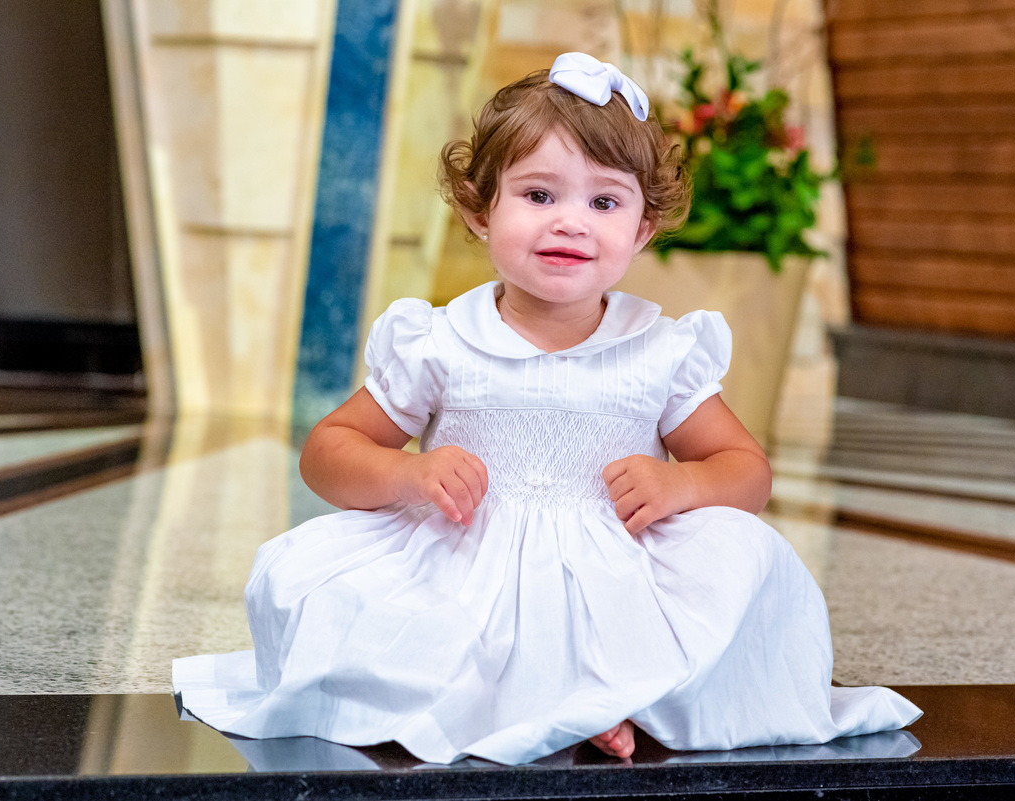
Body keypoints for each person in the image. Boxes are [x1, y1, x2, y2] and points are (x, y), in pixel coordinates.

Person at [173, 52, 921, 765]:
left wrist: (682, 485)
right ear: (478, 210)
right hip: (467, 561)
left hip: (613, 568)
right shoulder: (439, 341)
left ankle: (613, 695)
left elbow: (746, 471)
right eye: (539, 195)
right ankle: (564, 703)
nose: (570, 221)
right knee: (316, 584)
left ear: (643, 226)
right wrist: (409, 474)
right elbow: (329, 450)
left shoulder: (658, 350)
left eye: (604, 201)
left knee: (743, 560)